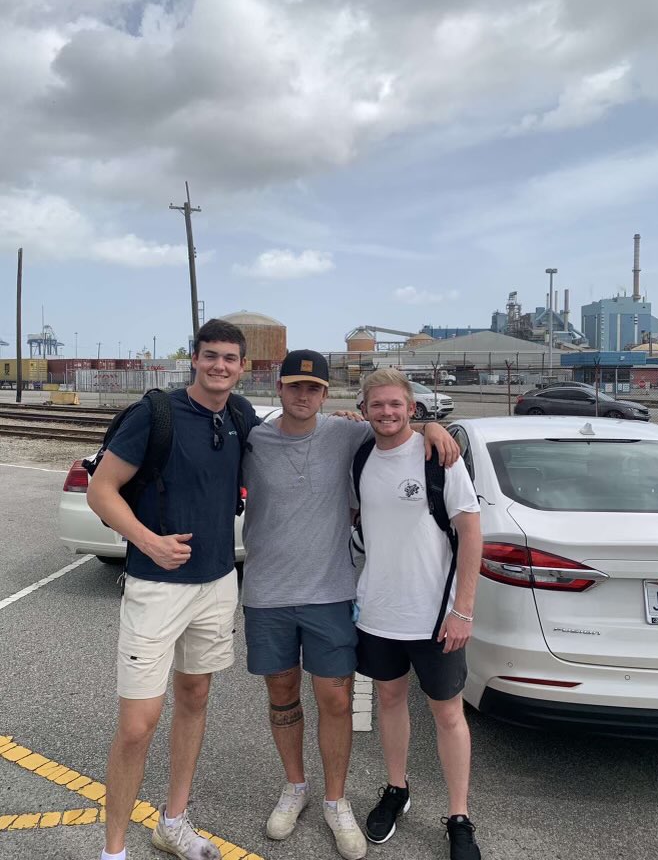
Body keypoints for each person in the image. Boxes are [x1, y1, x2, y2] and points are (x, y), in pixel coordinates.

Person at [241, 350, 459, 860]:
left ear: (327, 395)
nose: (303, 396)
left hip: (330, 592)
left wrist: (432, 426)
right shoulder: (252, 439)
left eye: (313, 389)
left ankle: (336, 800)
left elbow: (395, 423)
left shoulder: (348, 434)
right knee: (282, 695)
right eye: (295, 386)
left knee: (336, 700)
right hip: (267, 595)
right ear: (279, 388)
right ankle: (295, 787)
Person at [87, 319, 257, 860]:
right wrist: (147, 541)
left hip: (216, 584)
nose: (220, 366)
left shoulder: (239, 415)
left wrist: (424, 431)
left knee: (195, 697)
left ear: (244, 366)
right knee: (138, 726)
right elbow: (101, 490)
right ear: (195, 358)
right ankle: (113, 852)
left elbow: (301, 436)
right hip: (157, 587)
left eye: (230, 358)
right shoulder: (153, 415)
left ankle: (173, 822)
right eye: (211, 356)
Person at [354, 368, 483, 860]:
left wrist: (463, 611)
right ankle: (396, 789)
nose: (386, 413)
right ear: (364, 409)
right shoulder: (361, 455)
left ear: (412, 407)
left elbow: (471, 533)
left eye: (395, 404)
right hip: (378, 611)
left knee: (448, 714)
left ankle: (458, 816)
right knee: (390, 701)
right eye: (376, 405)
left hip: (436, 616)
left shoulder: (438, 456)